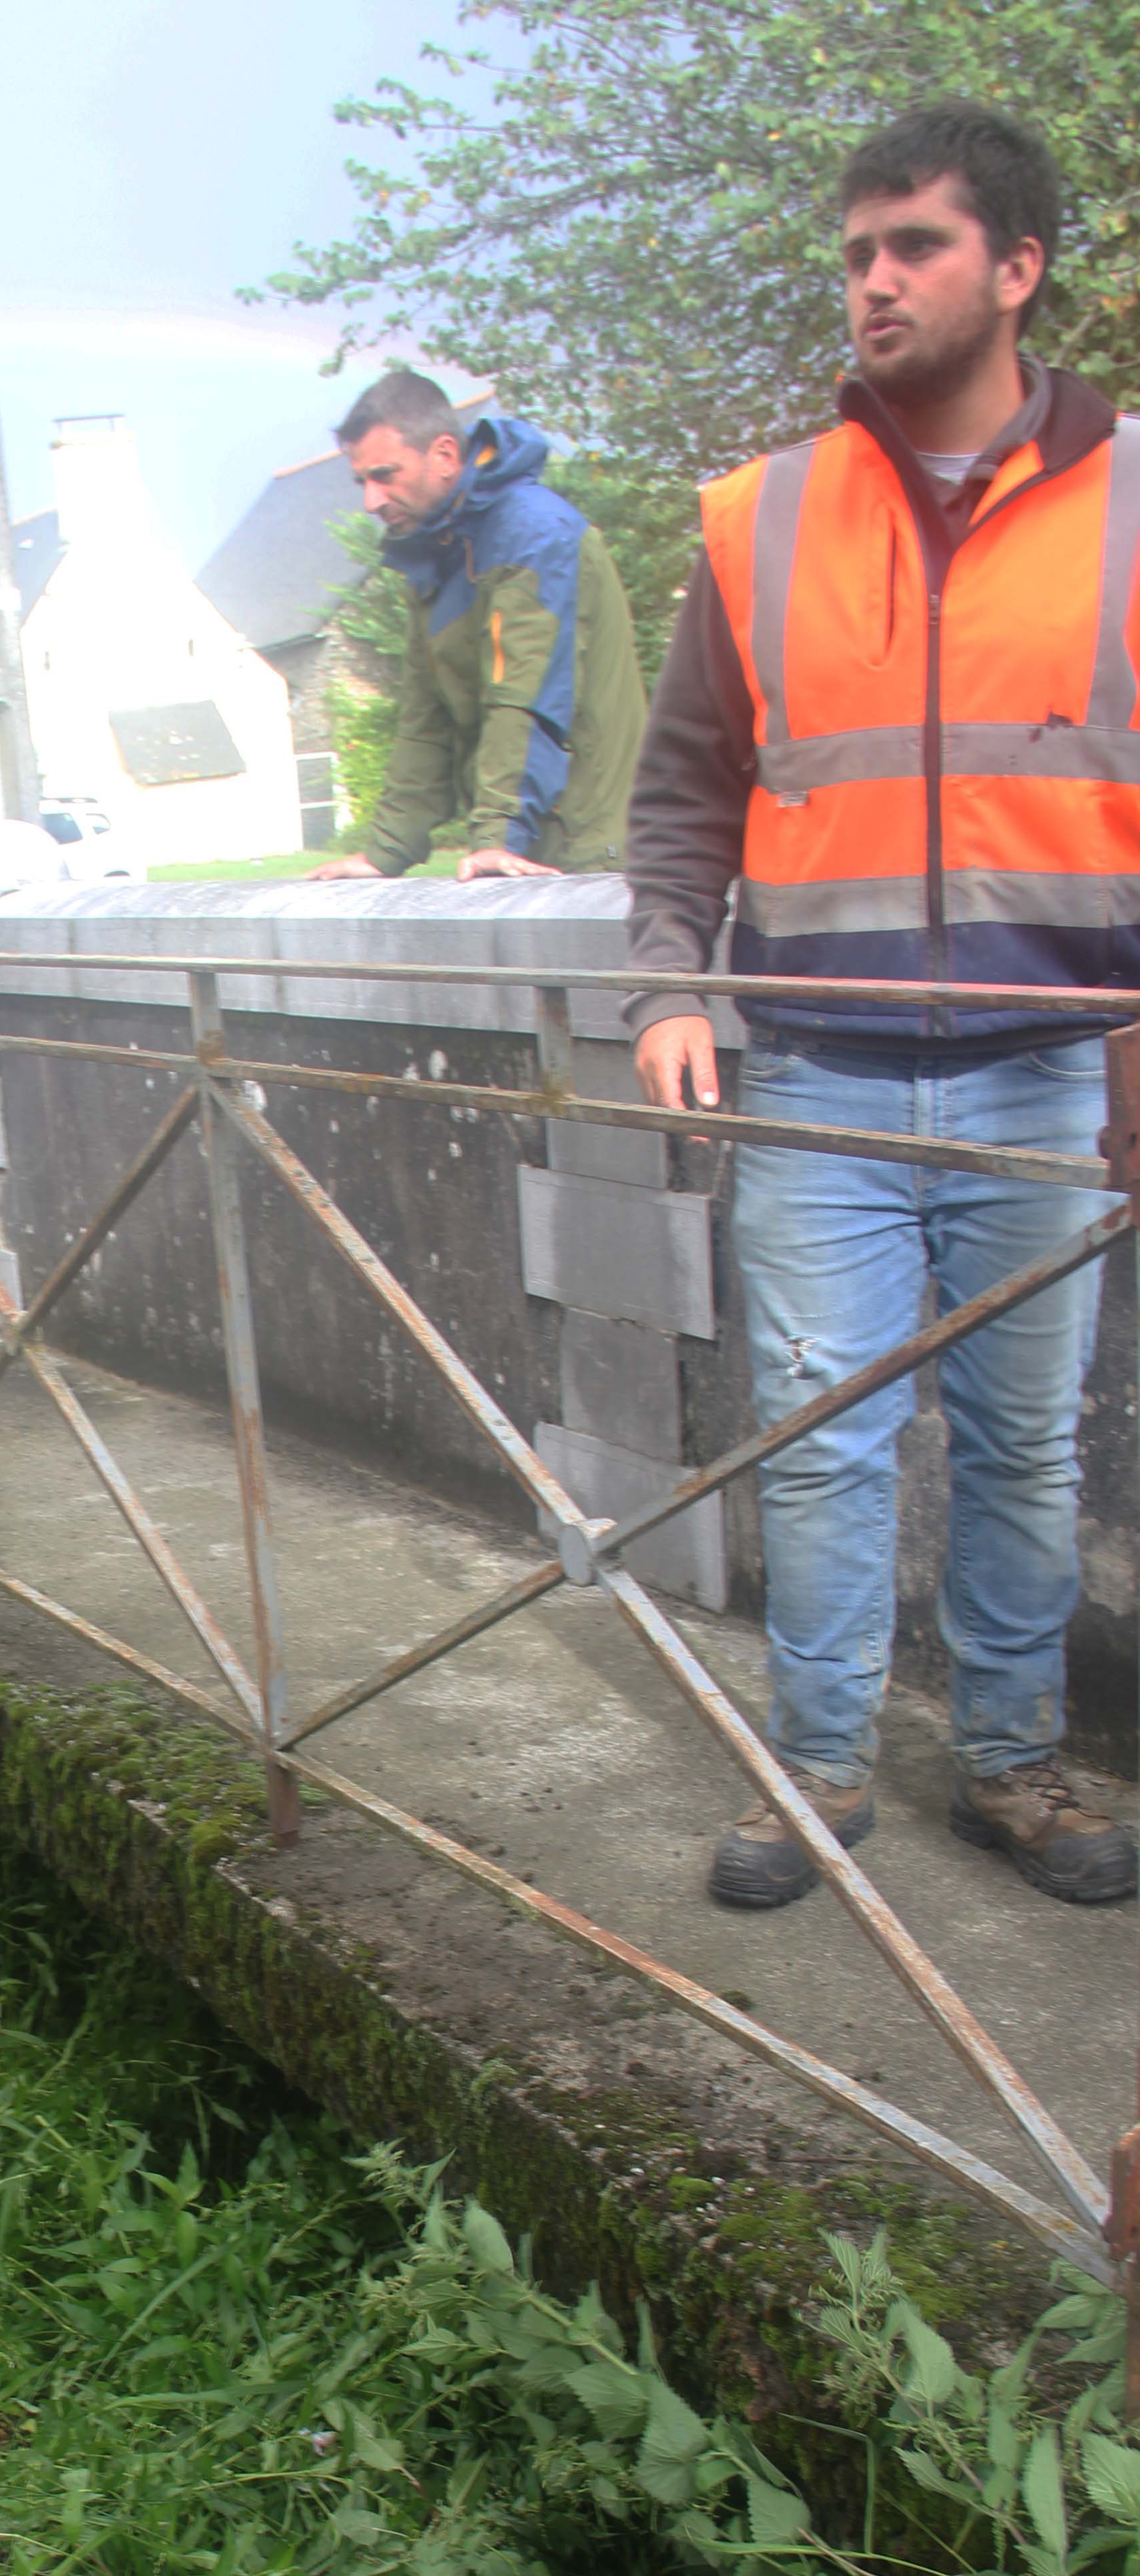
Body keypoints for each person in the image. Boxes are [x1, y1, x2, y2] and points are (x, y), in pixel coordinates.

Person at [628, 102, 1135, 1910]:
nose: (874, 281)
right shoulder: (762, 517)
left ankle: (1012, 1767)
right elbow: (684, 790)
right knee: (820, 1439)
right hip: (823, 1077)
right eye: (855, 252)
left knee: (1020, 1441)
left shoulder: (1136, 503)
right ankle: (819, 1766)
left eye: (913, 244)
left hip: (1046, 1080)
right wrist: (672, 981)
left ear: (1016, 268)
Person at [311, 368, 646, 885]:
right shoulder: (435, 557)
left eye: (385, 475)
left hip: (591, 854)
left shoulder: (534, 533)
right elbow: (427, 721)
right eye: (362, 482)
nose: (371, 501)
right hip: (526, 852)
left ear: (444, 455)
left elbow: (527, 700)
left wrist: (498, 836)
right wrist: (387, 851)